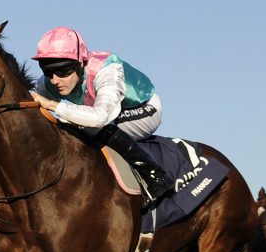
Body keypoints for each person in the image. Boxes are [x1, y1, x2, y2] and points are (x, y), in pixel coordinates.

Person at [29, 26, 171, 206]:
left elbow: (99, 118)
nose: (55, 80)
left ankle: (156, 177)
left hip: (144, 108)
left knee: (94, 129)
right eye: (48, 72)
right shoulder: (47, 83)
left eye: (63, 72)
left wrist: (52, 105)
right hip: (109, 114)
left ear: (80, 64)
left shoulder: (107, 70)